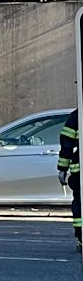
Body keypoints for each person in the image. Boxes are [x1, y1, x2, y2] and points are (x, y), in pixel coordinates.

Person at [58, 108, 80, 252]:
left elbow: (67, 143)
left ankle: (81, 238)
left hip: (80, 173)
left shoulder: (78, 115)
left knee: (80, 206)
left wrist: (62, 168)